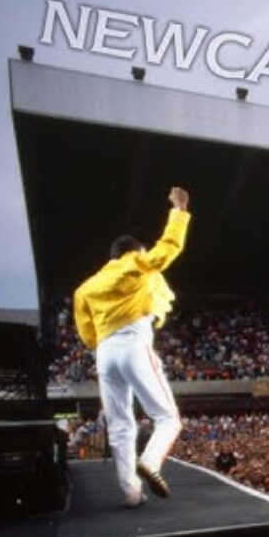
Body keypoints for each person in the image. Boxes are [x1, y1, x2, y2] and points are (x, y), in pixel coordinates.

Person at [74, 187, 191, 507]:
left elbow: (86, 333)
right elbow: (167, 249)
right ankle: (151, 463)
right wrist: (179, 211)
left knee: (120, 424)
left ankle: (130, 491)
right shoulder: (135, 264)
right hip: (134, 343)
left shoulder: (85, 288)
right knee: (168, 418)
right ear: (134, 250)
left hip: (104, 353)